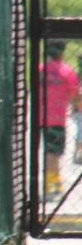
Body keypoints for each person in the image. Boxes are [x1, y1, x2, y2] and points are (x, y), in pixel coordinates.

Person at [40, 47, 81, 200]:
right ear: (63, 53)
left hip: (41, 115)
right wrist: (78, 108)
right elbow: (75, 95)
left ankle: (55, 184)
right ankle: (51, 187)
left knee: (52, 152)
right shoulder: (66, 71)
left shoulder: (40, 69)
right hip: (57, 118)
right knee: (53, 153)